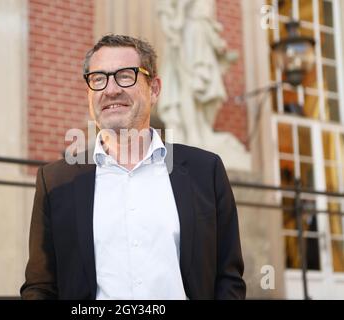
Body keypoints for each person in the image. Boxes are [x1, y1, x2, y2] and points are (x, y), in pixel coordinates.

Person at [20, 34, 246, 300]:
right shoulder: (56, 181)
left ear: (154, 89)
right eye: (98, 79)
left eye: (125, 75)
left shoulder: (205, 171)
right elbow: (40, 286)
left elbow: (228, 279)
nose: (111, 89)